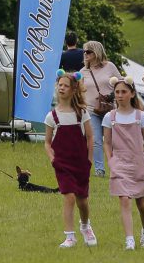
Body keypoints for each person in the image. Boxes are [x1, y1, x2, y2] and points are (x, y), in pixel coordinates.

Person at [44, 71, 97, 249]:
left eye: (66, 85)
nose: (61, 88)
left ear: (74, 89)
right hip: (62, 164)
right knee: (69, 198)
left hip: (81, 163)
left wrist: (89, 160)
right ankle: (70, 236)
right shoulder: (52, 116)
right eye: (60, 84)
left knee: (82, 200)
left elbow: (90, 137)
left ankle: (85, 226)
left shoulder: (81, 113)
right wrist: (52, 159)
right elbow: (47, 142)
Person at [102, 75, 144, 251]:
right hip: (120, 163)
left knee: (142, 205)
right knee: (124, 199)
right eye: (117, 92)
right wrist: (111, 161)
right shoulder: (110, 117)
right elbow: (107, 142)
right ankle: (129, 239)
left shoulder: (142, 116)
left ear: (132, 93)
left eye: (124, 91)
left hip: (139, 162)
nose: (120, 95)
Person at [80, 40, 121, 177]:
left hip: (111, 109)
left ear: (97, 52)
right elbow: (79, 92)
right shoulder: (83, 72)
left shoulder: (110, 66)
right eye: (84, 51)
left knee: (115, 141)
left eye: (89, 51)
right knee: (96, 140)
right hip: (91, 110)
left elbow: (121, 84)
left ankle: (118, 168)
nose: (85, 54)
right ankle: (99, 170)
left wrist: (112, 95)